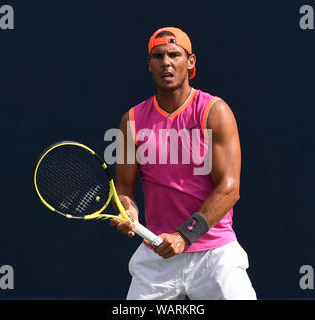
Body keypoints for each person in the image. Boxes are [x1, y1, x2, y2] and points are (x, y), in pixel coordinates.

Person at [110, 26, 257, 300]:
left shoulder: (214, 112)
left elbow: (229, 189)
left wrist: (183, 236)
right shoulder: (130, 121)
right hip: (157, 256)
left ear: (190, 62)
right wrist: (128, 211)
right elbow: (124, 189)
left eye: (174, 55)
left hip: (215, 255)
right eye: (158, 56)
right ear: (149, 65)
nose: (166, 62)